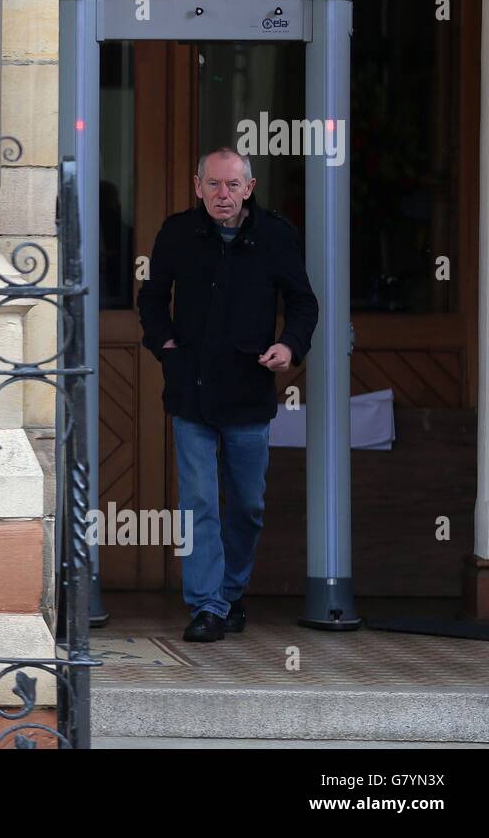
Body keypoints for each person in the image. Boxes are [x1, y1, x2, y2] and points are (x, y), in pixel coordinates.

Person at [137, 147, 318, 644]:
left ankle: (231, 592)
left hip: (248, 391)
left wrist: (288, 345)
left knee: (247, 505)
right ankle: (207, 606)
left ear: (250, 189)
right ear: (198, 187)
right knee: (198, 503)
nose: (223, 195)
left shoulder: (276, 235)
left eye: (233, 185)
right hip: (190, 390)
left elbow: (303, 302)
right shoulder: (177, 233)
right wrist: (166, 346)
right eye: (213, 185)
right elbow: (151, 299)